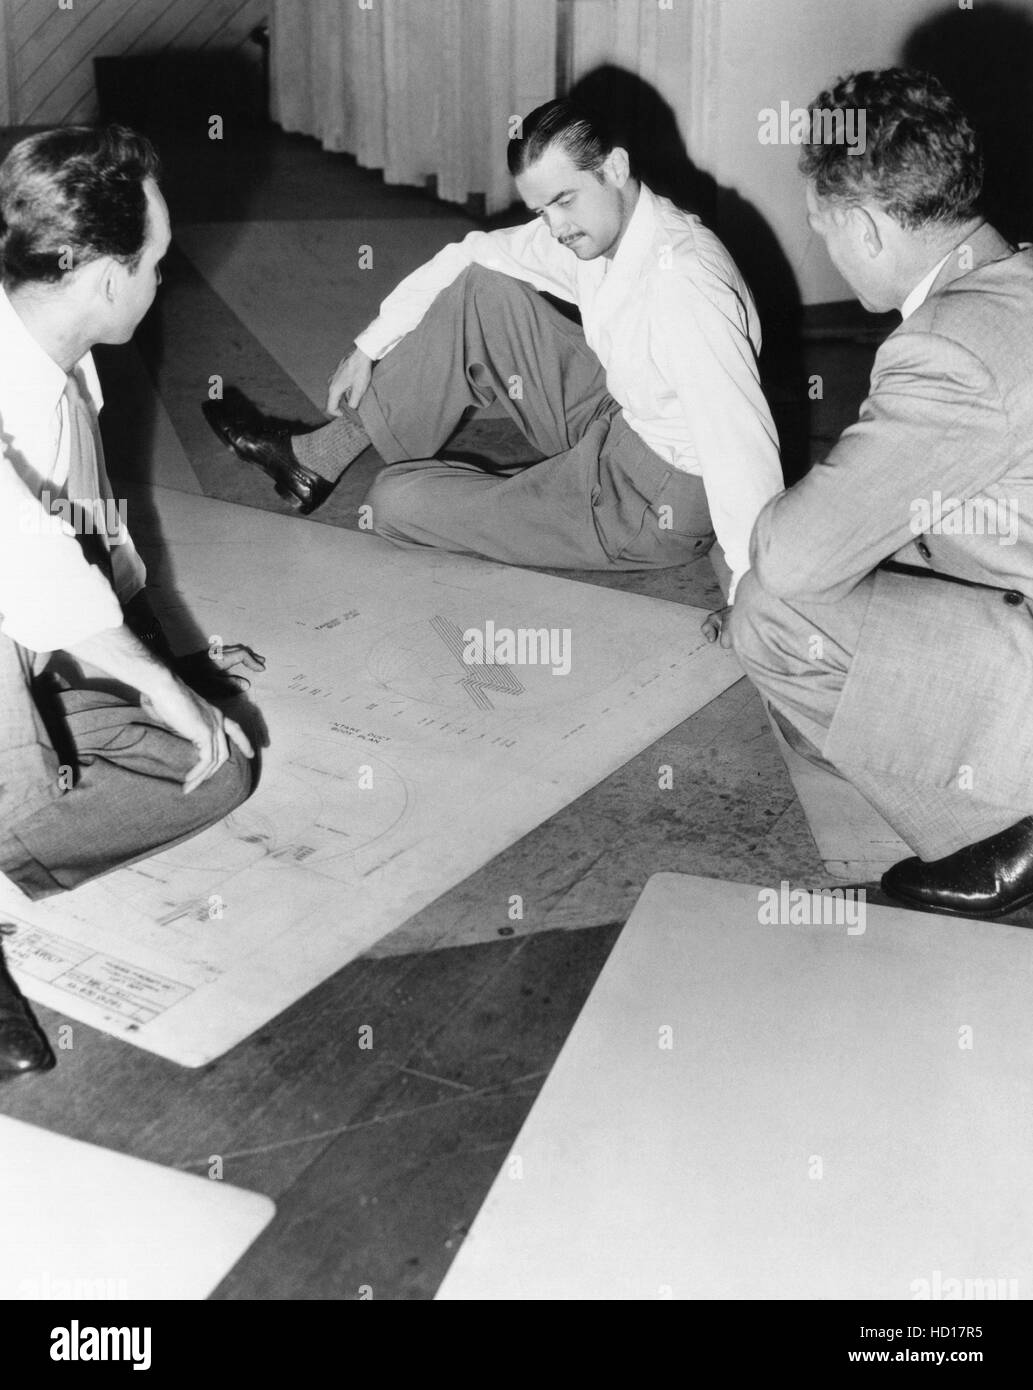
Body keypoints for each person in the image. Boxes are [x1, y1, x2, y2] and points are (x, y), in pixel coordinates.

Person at [203, 97, 784, 627]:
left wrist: (750, 595)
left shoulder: (683, 280)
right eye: (540, 210)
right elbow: (472, 253)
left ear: (613, 168)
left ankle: (360, 467)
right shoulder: (604, 227)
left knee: (390, 505)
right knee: (486, 288)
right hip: (619, 415)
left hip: (652, 500)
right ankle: (315, 458)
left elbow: (738, 442)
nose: (554, 229)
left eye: (562, 201)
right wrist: (368, 346)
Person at [732, 68, 1033, 920]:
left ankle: (1004, 820)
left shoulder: (949, 346)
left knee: (769, 612)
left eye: (821, 229)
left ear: (863, 226)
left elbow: (791, 560)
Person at [0, 126, 261, 1078]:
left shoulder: (67, 360)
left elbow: (94, 539)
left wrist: (168, 670)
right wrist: (152, 680)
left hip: (17, 656)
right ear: (106, 277)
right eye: (154, 262)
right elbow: (18, 557)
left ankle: (25, 794)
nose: (164, 280)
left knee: (223, 770)